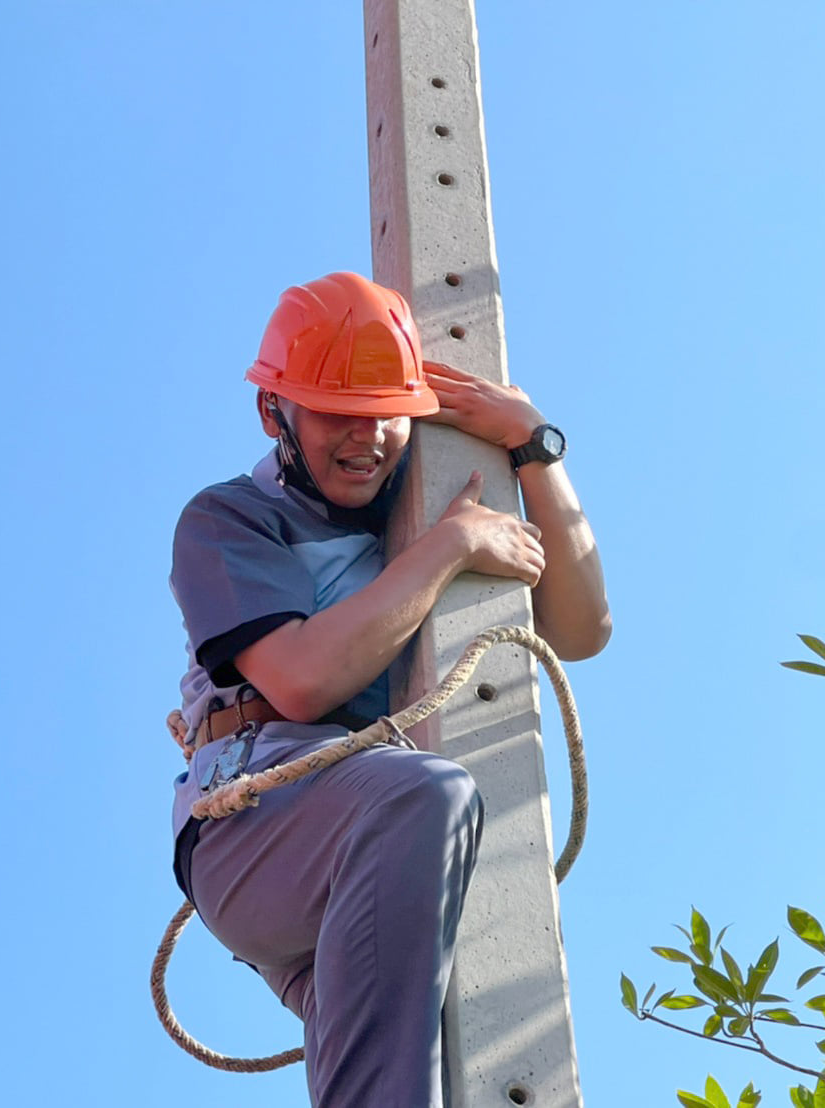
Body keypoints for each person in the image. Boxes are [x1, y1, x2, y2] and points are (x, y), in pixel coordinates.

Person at [167, 271, 609, 1107]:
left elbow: (583, 630)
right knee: (424, 795)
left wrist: (533, 444)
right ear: (275, 415)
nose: (367, 438)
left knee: (442, 1057)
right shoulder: (231, 520)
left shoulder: (423, 496)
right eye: (338, 412)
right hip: (260, 832)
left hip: (380, 848)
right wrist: (444, 550)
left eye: (385, 413)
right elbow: (299, 682)